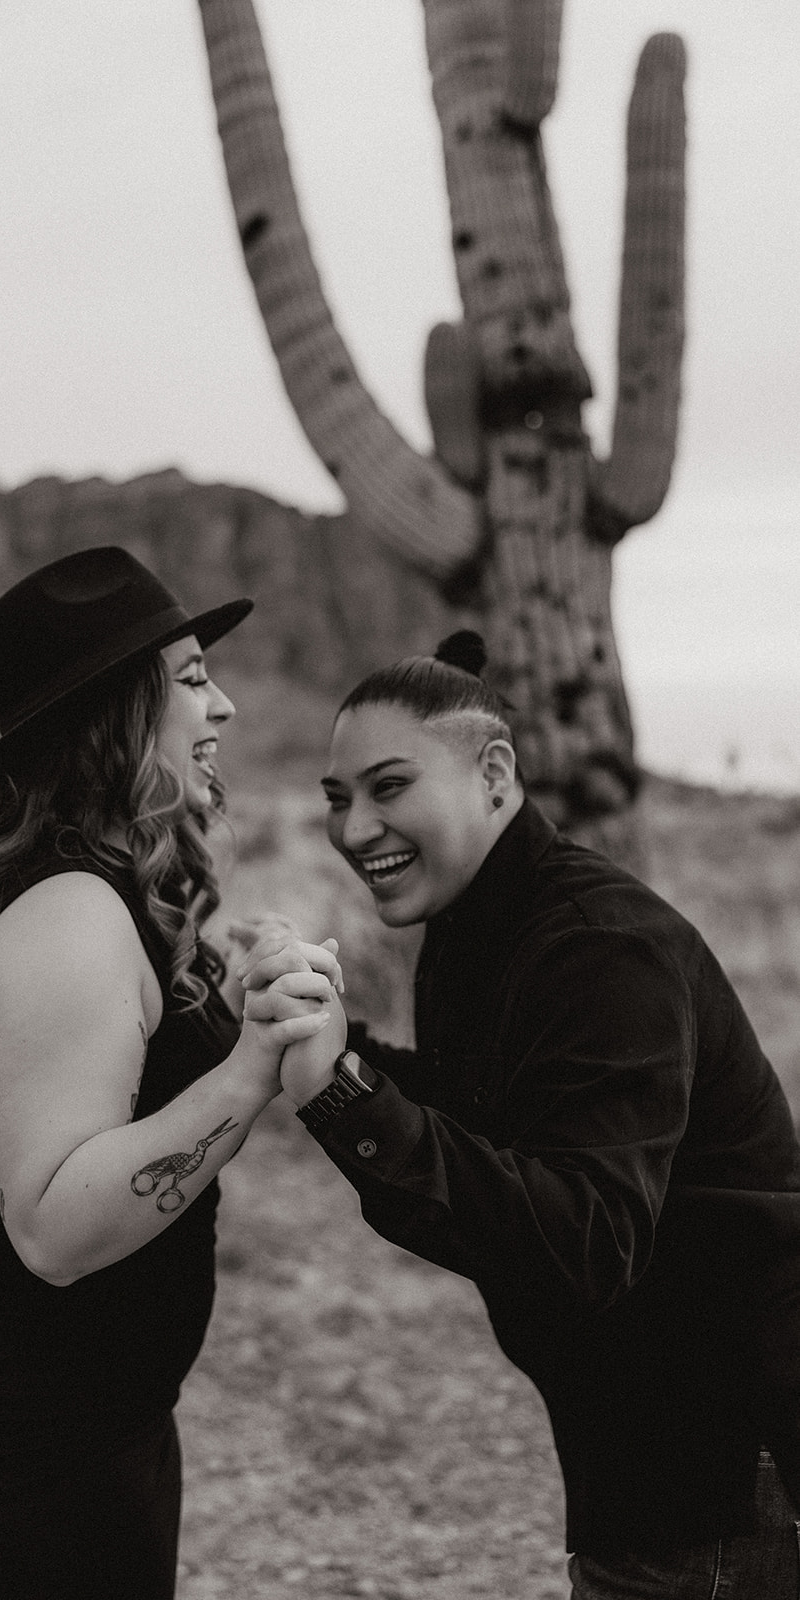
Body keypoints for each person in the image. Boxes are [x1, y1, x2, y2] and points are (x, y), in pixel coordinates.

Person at [240, 630, 800, 1599]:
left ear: (493, 773)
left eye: (387, 786)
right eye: (337, 798)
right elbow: (495, 1111)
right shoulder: (480, 922)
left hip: (721, 1461)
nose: (353, 827)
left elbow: (583, 1238)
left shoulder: (594, 948)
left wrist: (345, 1095)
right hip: (658, 1445)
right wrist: (335, 1045)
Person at [0, 546, 339, 1600]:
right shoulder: (65, 912)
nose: (228, 706)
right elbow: (53, 1230)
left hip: (87, 1425)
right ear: (119, 711)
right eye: (195, 678)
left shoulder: (108, 888)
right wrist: (248, 1071)